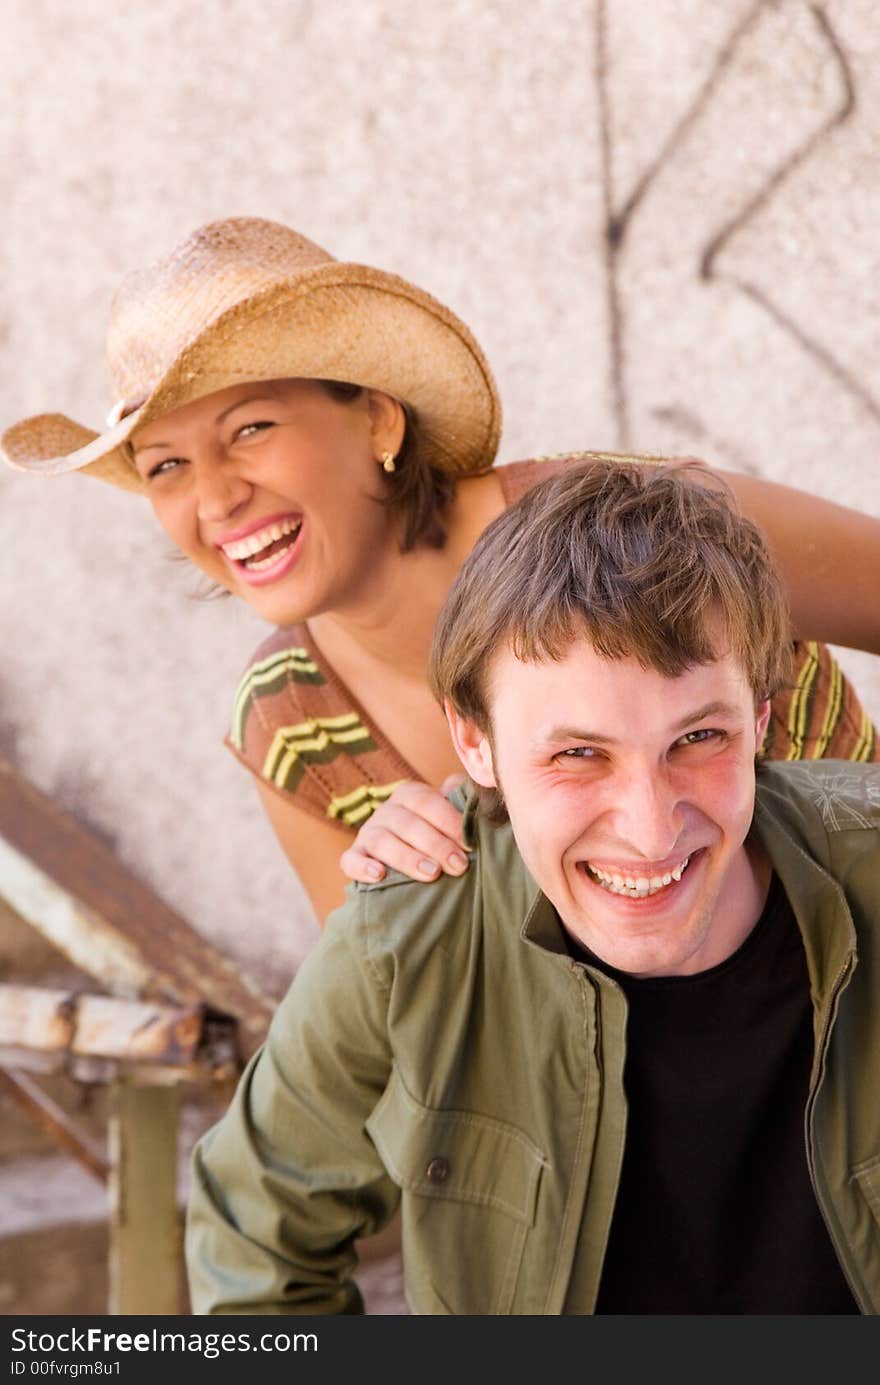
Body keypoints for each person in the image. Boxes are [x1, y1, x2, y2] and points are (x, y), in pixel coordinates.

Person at [2, 215, 878, 934]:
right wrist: (395, 899)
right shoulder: (291, 722)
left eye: (252, 429)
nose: (218, 499)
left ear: (378, 418)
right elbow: (387, 1040)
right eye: (165, 467)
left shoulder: (632, 526)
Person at [183, 460, 880, 1314]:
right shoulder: (406, 936)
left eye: (699, 737)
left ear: (762, 720)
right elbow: (253, 1241)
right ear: (474, 746)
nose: (650, 825)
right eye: (577, 754)